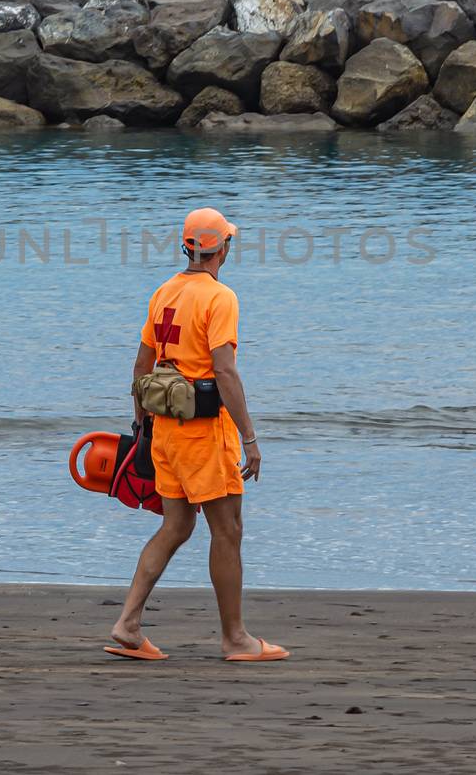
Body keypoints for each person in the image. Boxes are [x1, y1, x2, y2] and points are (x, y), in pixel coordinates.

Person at [104, 207, 288, 663]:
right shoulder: (220, 297)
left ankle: (128, 624)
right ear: (222, 247)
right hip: (204, 433)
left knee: (177, 524)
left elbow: (141, 368)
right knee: (228, 530)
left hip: (164, 428)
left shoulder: (164, 292)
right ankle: (236, 639)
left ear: (188, 246)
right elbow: (224, 370)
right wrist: (249, 436)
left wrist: (141, 425)